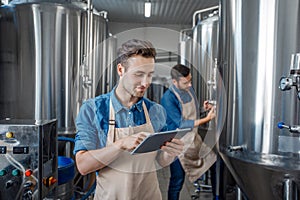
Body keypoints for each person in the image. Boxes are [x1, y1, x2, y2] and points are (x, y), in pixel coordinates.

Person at [73, 39, 184, 200]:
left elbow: (160, 159)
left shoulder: (156, 111)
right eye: (138, 74)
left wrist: (171, 153)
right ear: (121, 70)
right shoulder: (93, 109)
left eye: (150, 75)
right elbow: (83, 165)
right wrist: (121, 144)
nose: (146, 83)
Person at [160, 64, 217, 200]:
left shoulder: (187, 92)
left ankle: (217, 196)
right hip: (177, 144)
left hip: (192, 140)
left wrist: (203, 109)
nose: (190, 85)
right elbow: (181, 123)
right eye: (186, 82)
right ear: (175, 82)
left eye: (190, 80)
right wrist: (207, 119)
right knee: (177, 181)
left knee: (213, 163)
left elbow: (191, 114)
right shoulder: (168, 98)